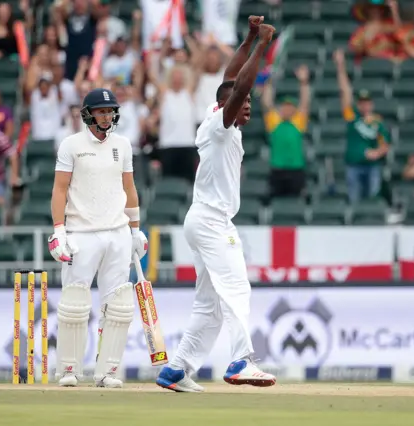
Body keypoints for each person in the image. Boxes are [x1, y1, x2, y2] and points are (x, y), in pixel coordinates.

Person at [156, 17, 277, 393]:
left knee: (209, 307)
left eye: (249, 103)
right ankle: (241, 360)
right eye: (243, 103)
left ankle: (176, 371)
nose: (248, 108)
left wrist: (249, 38)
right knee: (237, 289)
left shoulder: (215, 115)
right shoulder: (220, 125)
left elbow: (231, 75)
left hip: (205, 218)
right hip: (212, 222)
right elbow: (238, 84)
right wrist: (264, 46)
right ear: (226, 104)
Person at [49, 88, 147, 388]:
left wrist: (135, 229)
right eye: (101, 111)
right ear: (88, 113)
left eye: (110, 111)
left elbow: (129, 189)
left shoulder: (123, 145)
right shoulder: (71, 145)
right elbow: (60, 190)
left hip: (117, 233)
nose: (107, 116)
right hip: (82, 233)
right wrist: (59, 230)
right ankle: (69, 369)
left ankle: (108, 372)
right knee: (75, 303)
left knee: (117, 306)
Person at [335, 49, 389, 203]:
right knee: (354, 200)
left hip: (372, 167)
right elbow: (345, 91)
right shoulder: (353, 117)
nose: (365, 105)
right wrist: (340, 66)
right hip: (353, 165)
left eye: (367, 102)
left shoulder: (377, 123)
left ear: (371, 104)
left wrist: (377, 153)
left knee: (373, 199)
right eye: (362, 102)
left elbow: (385, 144)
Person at [261, 65, 311, 199]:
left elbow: (305, 103)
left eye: (290, 107)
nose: (287, 109)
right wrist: (269, 81)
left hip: (296, 169)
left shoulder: (298, 122)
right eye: (284, 106)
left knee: (297, 203)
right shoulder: (274, 122)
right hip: (277, 169)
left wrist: (303, 82)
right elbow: (266, 102)